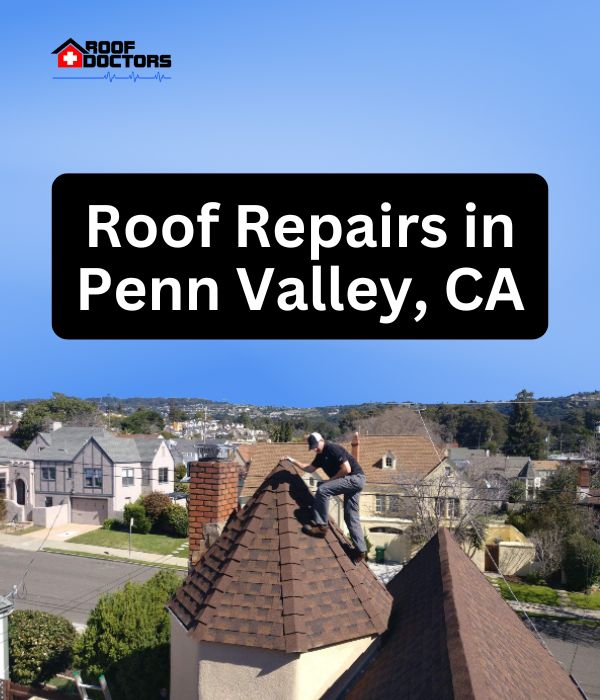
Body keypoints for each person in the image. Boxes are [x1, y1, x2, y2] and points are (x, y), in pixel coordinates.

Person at [287, 432, 367, 562]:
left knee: (323, 489)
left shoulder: (332, 448)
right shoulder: (320, 456)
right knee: (350, 516)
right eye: (312, 447)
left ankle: (321, 526)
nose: (315, 449)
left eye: (315, 446)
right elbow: (309, 468)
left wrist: (330, 481)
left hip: (355, 478)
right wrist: (292, 461)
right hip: (354, 481)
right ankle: (360, 551)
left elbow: (346, 469)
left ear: (321, 440)